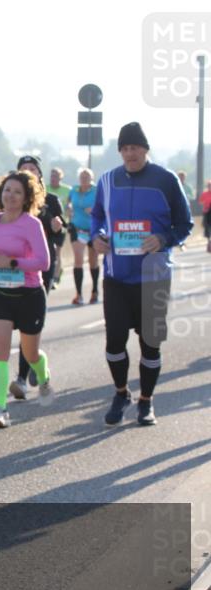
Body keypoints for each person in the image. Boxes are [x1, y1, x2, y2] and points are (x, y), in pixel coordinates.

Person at [91, 123, 193, 426]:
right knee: (114, 342)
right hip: (117, 276)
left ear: (145, 149)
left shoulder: (166, 179)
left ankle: (146, 401)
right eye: (124, 148)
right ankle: (121, 393)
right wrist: (97, 236)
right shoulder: (107, 180)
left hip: (153, 276)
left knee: (150, 344)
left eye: (134, 147)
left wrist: (163, 239)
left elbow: (184, 224)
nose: (129, 153)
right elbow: (98, 216)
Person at [0, 171, 54, 429]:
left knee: (30, 353)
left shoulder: (31, 224)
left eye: (17, 192)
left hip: (29, 294)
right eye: (7, 190)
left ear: (26, 198)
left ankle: (43, 374)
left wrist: (12, 262)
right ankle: (0, 409)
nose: (10, 195)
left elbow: (43, 262)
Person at [9, 155, 65, 400]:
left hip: (41, 265)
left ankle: (21, 378)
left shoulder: (50, 200)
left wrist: (56, 227)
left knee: (28, 320)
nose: (28, 171)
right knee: (15, 320)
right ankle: (35, 359)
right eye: (24, 168)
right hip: (13, 264)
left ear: (39, 174)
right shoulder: (10, 198)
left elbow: (60, 233)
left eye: (33, 168)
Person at [68, 167, 100, 305]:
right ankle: (79, 294)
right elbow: (68, 203)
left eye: (87, 177)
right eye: (82, 176)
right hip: (77, 228)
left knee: (93, 261)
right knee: (78, 260)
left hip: (93, 229)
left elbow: (105, 206)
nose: (84, 179)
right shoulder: (74, 190)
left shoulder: (96, 190)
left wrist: (95, 210)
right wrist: (68, 209)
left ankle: (94, 291)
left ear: (91, 178)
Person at [47, 168, 72, 285]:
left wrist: (69, 213)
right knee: (48, 250)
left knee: (57, 250)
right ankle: (52, 273)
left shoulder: (67, 190)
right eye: (52, 176)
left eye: (56, 176)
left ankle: (55, 277)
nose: (53, 178)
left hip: (61, 224)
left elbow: (70, 206)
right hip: (47, 224)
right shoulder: (45, 188)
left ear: (60, 178)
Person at [200, 179, 211, 252]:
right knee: (207, 226)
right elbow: (201, 201)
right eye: (209, 186)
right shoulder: (205, 194)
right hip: (207, 212)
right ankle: (209, 242)